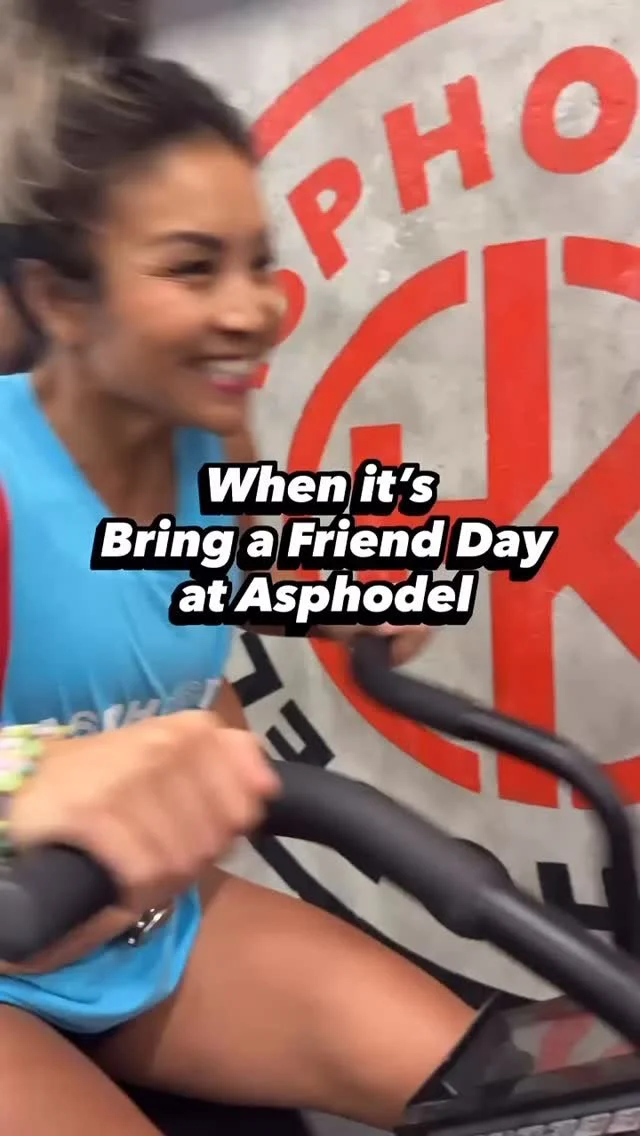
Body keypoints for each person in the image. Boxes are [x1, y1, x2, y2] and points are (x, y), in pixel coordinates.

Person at [0, 1, 476, 1132]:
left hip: (145, 930)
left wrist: (354, 586)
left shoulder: (207, 440)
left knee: (523, 1088)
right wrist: (27, 776)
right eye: (192, 268)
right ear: (63, 299)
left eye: (260, 263)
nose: (253, 310)